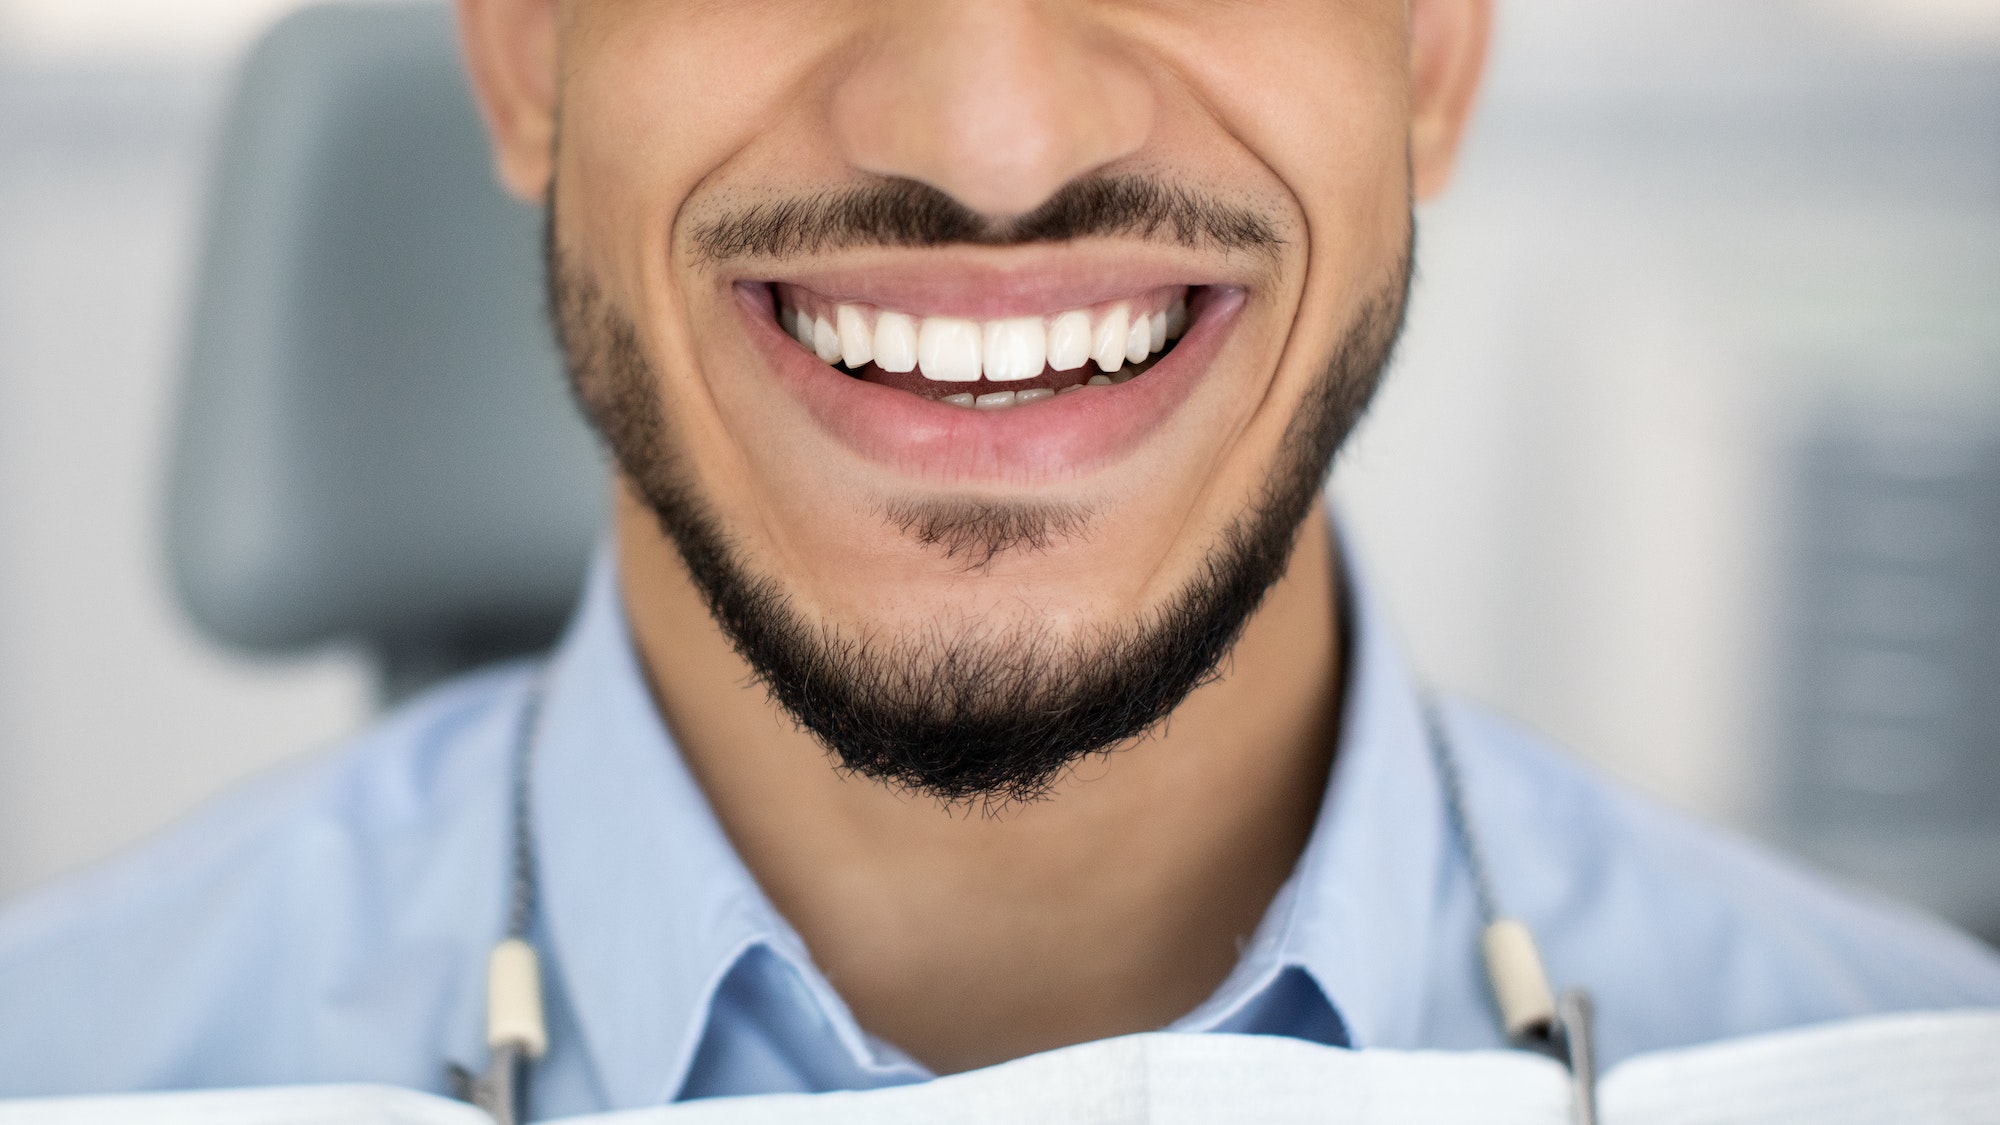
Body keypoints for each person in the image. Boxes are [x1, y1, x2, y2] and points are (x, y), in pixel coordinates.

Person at [2, 0, 1996, 1114]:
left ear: (1433, 62)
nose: (990, 138)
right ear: (527, 57)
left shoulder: (1902, 1066)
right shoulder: (65, 1069)